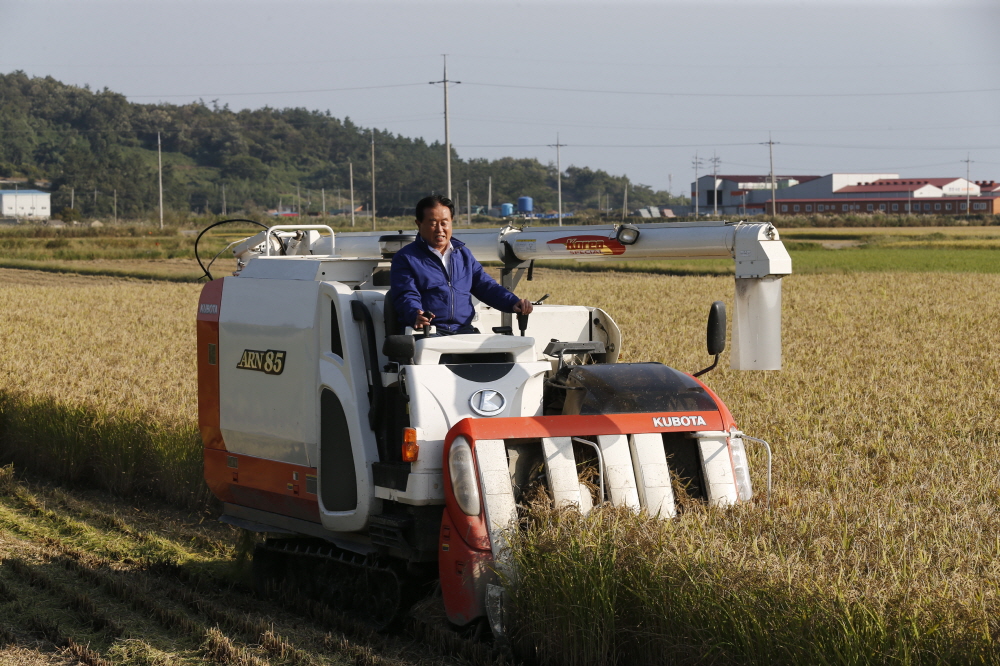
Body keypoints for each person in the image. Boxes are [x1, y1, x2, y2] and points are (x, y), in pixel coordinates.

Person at [390, 194, 533, 334]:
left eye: (444, 223)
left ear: (451, 221)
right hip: (428, 332)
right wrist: (415, 314)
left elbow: (486, 286)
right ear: (419, 224)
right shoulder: (405, 258)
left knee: (499, 356)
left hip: (463, 331)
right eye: (433, 223)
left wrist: (513, 303)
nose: (440, 229)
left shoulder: (463, 254)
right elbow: (406, 295)